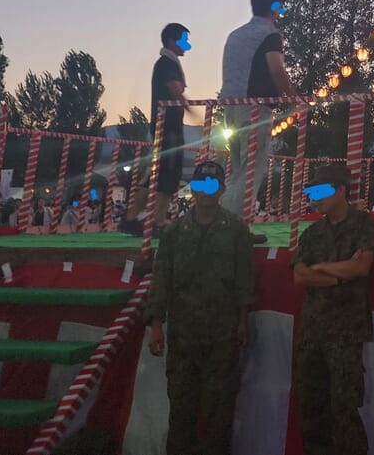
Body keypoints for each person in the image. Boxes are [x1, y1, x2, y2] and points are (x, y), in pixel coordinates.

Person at [145, 161, 255, 455]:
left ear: (221, 189)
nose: (206, 191)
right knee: (181, 410)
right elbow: (161, 280)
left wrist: (243, 321)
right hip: (183, 336)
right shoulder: (173, 232)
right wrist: (156, 324)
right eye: (201, 184)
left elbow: (244, 280)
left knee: (219, 413)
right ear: (193, 189)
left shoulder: (236, 230)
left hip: (222, 335)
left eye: (212, 185)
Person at [291, 164, 374, 455]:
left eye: (321, 191)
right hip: (312, 332)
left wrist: (320, 269)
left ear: (341, 190)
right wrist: (340, 274)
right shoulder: (312, 233)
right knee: (311, 408)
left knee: (344, 411)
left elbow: (362, 266)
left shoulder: (364, 225)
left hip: (345, 332)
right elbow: (299, 275)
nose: (314, 198)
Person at [221, 0, 299, 242]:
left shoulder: (235, 34)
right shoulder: (270, 34)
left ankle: (226, 223)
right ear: (274, 7)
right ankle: (235, 228)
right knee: (252, 169)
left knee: (237, 169)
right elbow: (277, 70)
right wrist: (292, 101)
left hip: (230, 107)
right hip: (255, 108)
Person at [123, 23, 191, 237]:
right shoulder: (166, 64)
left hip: (165, 126)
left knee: (158, 174)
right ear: (172, 40)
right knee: (168, 174)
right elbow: (174, 88)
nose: (187, 45)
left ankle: (131, 218)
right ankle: (158, 221)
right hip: (168, 127)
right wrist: (189, 106)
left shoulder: (167, 63)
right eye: (183, 40)